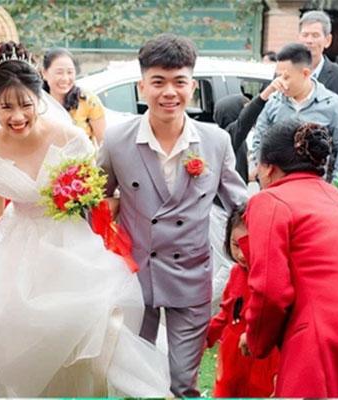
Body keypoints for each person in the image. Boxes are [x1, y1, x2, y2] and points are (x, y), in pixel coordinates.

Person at [0, 42, 171, 398]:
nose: (17, 116)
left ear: (39, 99)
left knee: (84, 327)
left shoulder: (71, 137)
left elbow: (97, 193)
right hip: (19, 252)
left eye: (25, 104)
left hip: (71, 245)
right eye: (6, 107)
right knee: (16, 337)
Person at [97, 34, 247, 397]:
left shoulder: (215, 141)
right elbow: (93, 197)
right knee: (133, 379)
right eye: (158, 82)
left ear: (192, 86)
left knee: (183, 381)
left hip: (191, 276)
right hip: (135, 278)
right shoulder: (117, 140)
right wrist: (106, 206)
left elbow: (240, 204)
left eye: (179, 82)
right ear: (142, 87)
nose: (169, 92)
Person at [242, 119, 338, 397]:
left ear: (268, 168)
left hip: (322, 345)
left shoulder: (271, 200)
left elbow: (270, 290)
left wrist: (255, 341)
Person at [206, 205, 280, 397]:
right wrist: (206, 336)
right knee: (228, 388)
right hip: (233, 351)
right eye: (235, 245)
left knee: (259, 391)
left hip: (261, 352)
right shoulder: (235, 273)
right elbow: (226, 312)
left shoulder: (269, 277)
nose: (240, 254)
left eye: (247, 245)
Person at [252, 43, 338, 180]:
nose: (281, 82)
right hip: (278, 186)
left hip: (315, 186)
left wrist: (337, 184)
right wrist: (265, 175)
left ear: (305, 73)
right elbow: (258, 142)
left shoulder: (332, 105)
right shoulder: (273, 102)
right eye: (278, 76)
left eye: (286, 77)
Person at [213, 77, 283, 183]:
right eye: (244, 108)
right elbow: (245, 120)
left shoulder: (235, 139)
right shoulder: (228, 135)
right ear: (233, 111)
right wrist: (268, 91)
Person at [42, 48, 106, 145]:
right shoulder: (38, 102)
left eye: (70, 72)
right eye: (59, 72)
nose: (65, 78)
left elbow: (103, 142)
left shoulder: (87, 100)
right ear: (44, 73)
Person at [298, 10, 338, 116]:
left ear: (328, 40)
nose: (309, 40)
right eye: (305, 35)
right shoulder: (286, 72)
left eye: (315, 35)